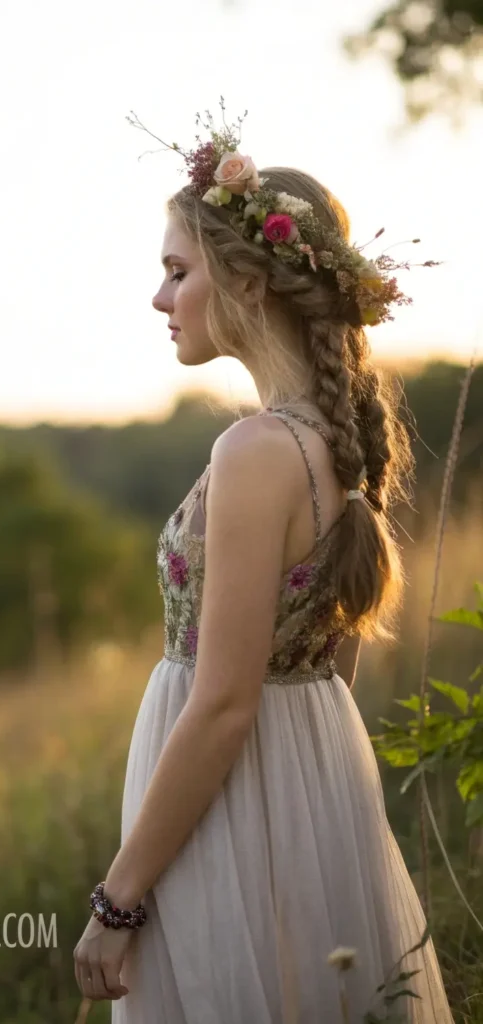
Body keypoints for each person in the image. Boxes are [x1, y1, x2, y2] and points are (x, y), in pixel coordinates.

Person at [73, 104, 453, 1023]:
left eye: (176, 271)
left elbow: (225, 697)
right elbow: (332, 659)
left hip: (232, 805)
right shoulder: (332, 442)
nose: (160, 300)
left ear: (245, 281)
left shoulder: (255, 450)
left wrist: (119, 899)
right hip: (303, 786)